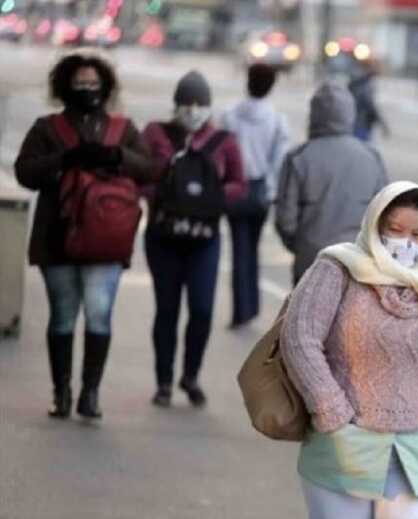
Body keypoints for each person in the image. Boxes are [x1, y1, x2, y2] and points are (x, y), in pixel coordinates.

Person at [280, 181, 418, 519]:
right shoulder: (337, 268)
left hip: (416, 454)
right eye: (395, 229)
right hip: (341, 448)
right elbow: (300, 339)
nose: (406, 241)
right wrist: (332, 413)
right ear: (375, 225)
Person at [14, 51, 155, 420]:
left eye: (94, 83)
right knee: (62, 315)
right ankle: (61, 391)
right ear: (65, 86)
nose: (88, 90)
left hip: (105, 242)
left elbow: (151, 168)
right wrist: (63, 160)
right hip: (57, 239)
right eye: (80, 84)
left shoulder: (122, 130)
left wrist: (116, 156)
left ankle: (90, 393)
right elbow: (24, 172)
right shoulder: (47, 129)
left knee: (98, 314)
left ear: (105, 87)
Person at [142, 70, 246, 408]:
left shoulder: (224, 141)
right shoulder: (156, 134)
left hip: (204, 240)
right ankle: (163, 381)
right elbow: (139, 174)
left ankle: (191, 374)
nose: (192, 110)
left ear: (209, 106)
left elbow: (239, 183)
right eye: (186, 103)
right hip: (164, 238)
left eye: (200, 103)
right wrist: (164, 193)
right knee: (167, 310)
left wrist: (210, 196)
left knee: (201, 309)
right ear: (176, 104)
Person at [275, 80, 388, 284]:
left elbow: (286, 219)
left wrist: (301, 245)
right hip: (360, 262)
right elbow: (384, 214)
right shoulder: (371, 156)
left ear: (314, 114)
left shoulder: (299, 157)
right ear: (350, 114)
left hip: (311, 259)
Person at [221, 63, 290, 329]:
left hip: (236, 189)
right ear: (271, 86)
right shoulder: (276, 120)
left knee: (239, 249)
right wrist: (271, 189)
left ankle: (240, 310)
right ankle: (253, 307)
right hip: (261, 189)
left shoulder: (229, 116)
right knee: (254, 247)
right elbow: (278, 159)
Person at [347, 59, 389, 142]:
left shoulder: (356, 81)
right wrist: (383, 124)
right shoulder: (365, 84)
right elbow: (370, 105)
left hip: (353, 121)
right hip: (361, 124)